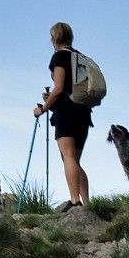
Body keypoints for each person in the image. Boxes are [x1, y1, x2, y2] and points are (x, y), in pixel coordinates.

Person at [33, 21, 91, 213]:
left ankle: (74, 202)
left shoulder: (59, 57)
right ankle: (87, 204)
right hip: (83, 112)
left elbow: (58, 89)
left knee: (68, 157)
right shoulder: (80, 57)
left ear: (54, 38)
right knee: (75, 159)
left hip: (66, 112)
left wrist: (42, 109)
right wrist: (53, 100)